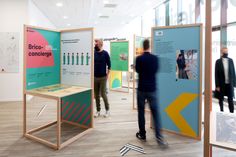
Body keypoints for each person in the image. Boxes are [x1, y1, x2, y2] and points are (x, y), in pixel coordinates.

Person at [135, 39, 168, 148]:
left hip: (141, 89)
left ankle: (142, 134)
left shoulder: (138, 59)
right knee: (156, 113)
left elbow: (138, 71)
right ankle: (159, 138)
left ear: (143, 47)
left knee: (141, 112)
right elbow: (155, 70)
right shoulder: (155, 59)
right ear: (150, 46)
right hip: (152, 89)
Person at [215, 47, 236, 113]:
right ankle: (221, 111)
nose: (226, 53)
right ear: (221, 52)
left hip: (229, 84)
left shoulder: (231, 60)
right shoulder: (218, 61)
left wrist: (234, 84)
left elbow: (233, 72)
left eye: (226, 51)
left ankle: (232, 112)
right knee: (221, 99)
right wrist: (217, 85)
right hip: (221, 84)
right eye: (224, 52)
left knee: (230, 99)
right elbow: (216, 74)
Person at [94, 39, 111, 117]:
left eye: (96, 44)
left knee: (103, 94)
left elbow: (109, 66)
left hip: (103, 77)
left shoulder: (105, 54)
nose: (95, 45)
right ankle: (98, 111)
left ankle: (107, 110)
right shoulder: (94, 53)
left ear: (100, 45)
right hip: (95, 77)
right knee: (96, 95)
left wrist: (107, 75)